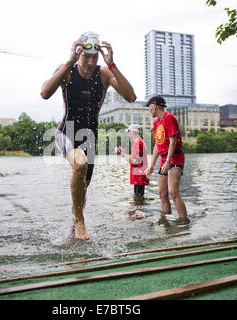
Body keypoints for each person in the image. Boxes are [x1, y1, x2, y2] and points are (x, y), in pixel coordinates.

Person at [41, 31, 136, 240]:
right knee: (80, 164)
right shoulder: (67, 70)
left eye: (95, 57)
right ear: (79, 53)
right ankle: (80, 222)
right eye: (86, 56)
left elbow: (131, 96)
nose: (91, 62)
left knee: (82, 190)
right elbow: (45, 93)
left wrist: (111, 64)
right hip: (66, 132)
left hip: (89, 137)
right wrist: (68, 62)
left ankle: (73, 227)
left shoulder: (103, 74)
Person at [144, 96, 190, 225]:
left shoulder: (169, 118)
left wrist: (168, 161)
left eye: (149, 108)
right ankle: (165, 222)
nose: (149, 111)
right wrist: (152, 166)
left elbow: (173, 141)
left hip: (175, 158)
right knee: (162, 193)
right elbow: (158, 146)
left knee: (173, 192)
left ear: (155, 106)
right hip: (165, 160)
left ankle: (184, 222)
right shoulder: (156, 123)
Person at [115, 124, 149, 197]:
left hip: (139, 176)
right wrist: (123, 153)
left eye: (129, 132)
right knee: (139, 200)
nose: (129, 135)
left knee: (138, 201)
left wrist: (123, 154)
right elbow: (134, 159)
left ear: (133, 132)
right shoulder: (139, 143)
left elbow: (133, 161)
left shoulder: (139, 143)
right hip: (139, 176)